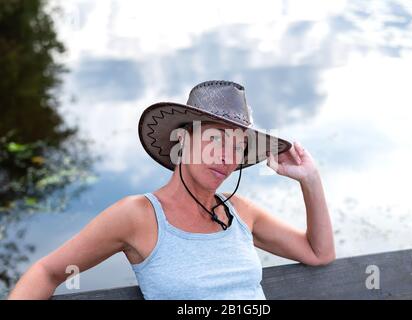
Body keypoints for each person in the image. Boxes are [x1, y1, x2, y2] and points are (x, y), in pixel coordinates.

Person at [8, 80, 335, 300]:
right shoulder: (137, 216)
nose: (225, 157)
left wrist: (310, 178)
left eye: (236, 146)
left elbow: (319, 254)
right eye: (215, 139)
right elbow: (48, 271)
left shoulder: (241, 212)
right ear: (183, 140)